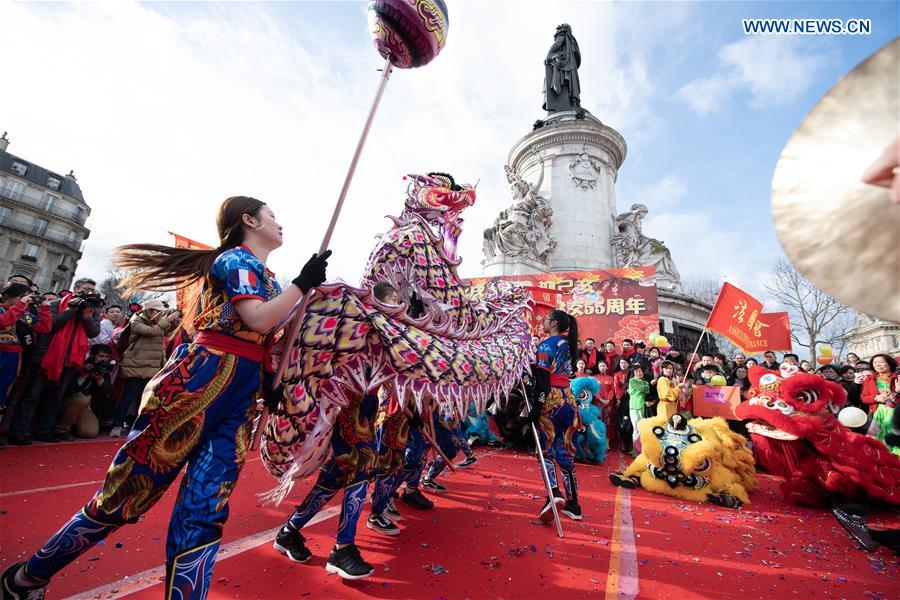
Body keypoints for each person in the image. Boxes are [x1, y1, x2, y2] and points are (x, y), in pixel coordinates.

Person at [0, 196, 331, 599]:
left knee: (206, 510)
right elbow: (257, 319)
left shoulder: (267, 275)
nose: (280, 223)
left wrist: (269, 380)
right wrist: (302, 283)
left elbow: (263, 335)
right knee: (126, 494)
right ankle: (27, 578)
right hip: (196, 381)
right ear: (249, 220)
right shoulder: (234, 261)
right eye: (272, 215)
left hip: (240, 395)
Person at [8, 278, 102, 445]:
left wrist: (86, 317)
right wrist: (70, 310)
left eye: (91, 291)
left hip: (71, 361)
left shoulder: (93, 310)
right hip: (46, 356)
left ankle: (44, 430)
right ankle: (18, 431)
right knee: (31, 395)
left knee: (56, 398)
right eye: (85, 289)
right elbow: (49, 326)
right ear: (75, 288)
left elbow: (94, 333)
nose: (89, 293)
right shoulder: (56, 304)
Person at [528, 309, 582, 521]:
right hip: (569, 399)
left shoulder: (546, 344)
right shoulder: (568, 344)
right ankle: (574, 504)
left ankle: (553, 494)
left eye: (546, 319)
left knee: (546, 449)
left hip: (551, 400)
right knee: (565, 450)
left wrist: (537, 405)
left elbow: (542, 378)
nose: (543, 320)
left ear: (554, 324)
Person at [109, 299, 179, 437]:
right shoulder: (136, 320)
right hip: (135, 364)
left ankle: (138, 426)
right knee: (128, 397)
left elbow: (166, 333)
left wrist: (173, 322)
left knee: (145, 400)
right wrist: (168, 318)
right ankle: (117, 425)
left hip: (152, 365)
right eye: (157, 311)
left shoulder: (157, 322)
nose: (160, 314)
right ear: (148, 311)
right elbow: (152, 331)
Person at [0, 283, 51, 417]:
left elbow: (43, 328)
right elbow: (3, 322)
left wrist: (45, 309)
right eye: (22, 296)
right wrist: (20, 305)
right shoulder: (2, 309)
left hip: (13, 357)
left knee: (3, 391)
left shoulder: (24, 315)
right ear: (7, 296)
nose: (26, 299)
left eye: (27, 297)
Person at [51, 344, 113, 440]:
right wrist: (84, 375)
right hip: (68, 401)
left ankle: (73, 426)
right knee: (83, 399)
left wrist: (100, 380)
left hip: (87, 407)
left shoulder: (104, 369)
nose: (104, 359)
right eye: (101, 356)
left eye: (106, 357)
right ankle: (61, 430)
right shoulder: (81, 364)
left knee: (89, 432)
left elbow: (106, 392)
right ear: (92, 355)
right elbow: (67, 389)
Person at [861, 354, 898, 456]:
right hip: (879, 413)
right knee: (878, 440)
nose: (878, 364)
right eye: (875, 363)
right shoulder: (870, 379)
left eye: (881, 362)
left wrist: (895, 393)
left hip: (896, 412)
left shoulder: (897, 376)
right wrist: (876, 398)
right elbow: (864, 397)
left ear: (889, 363)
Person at [627, 365, 649, 456]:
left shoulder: (645, 382)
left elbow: (646, 389)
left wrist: (643, 386)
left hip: (642, 405)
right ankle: (635, 450)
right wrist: (643, 387)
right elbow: (642, 388)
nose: (639, 373)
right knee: (636, 428)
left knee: (642, 428)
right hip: (634, 406)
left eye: (640, 371)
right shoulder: (632, 380)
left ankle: (640, 449)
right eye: (636, 372)